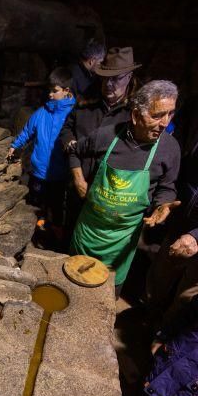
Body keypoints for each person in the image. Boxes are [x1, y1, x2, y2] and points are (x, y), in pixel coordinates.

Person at [69, 80, 181, 296]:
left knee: (106, 295)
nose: (165, 123)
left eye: (170, 114)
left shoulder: (169, 149)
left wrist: (163, 204)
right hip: (89, 232)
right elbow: (74, 151)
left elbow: (167, 187)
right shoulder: (106, 136)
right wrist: (79, 180)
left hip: (121, 240)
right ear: (136, 115)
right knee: (74, 287)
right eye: (157, 116)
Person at [61, 47, 141, 243]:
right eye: (105, 78)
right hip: (78, 186)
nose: (109, 84)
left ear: (129, 77)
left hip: (112, 197)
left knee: (99, 244)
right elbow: (67, 131)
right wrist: (77, 177)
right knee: (70, 237)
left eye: (116, 78)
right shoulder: (87, 101)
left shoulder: (136, 113)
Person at [146, 94, 198, 328]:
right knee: (161, 274)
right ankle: (148, 319)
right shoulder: (194, 110)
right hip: (182, 217)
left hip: (196, 233)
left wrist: (197, 236)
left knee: (188, 297)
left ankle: (167, 342)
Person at [6, 67, 76, 242]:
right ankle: (32, 235)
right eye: (49, 90)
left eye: (55, 91)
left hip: (59, 174)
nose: (50, 95)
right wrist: (15, 145)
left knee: (57, 206)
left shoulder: (73, 115)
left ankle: (56, 239)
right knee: (35, 206)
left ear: (67, 91)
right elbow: (27, 131)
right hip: (38, 172)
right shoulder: (41, 113)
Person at [121, 295, 198, 396]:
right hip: (177, 355)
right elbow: (186, 315)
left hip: (192, 383)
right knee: (154, 389)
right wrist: (164, 335)